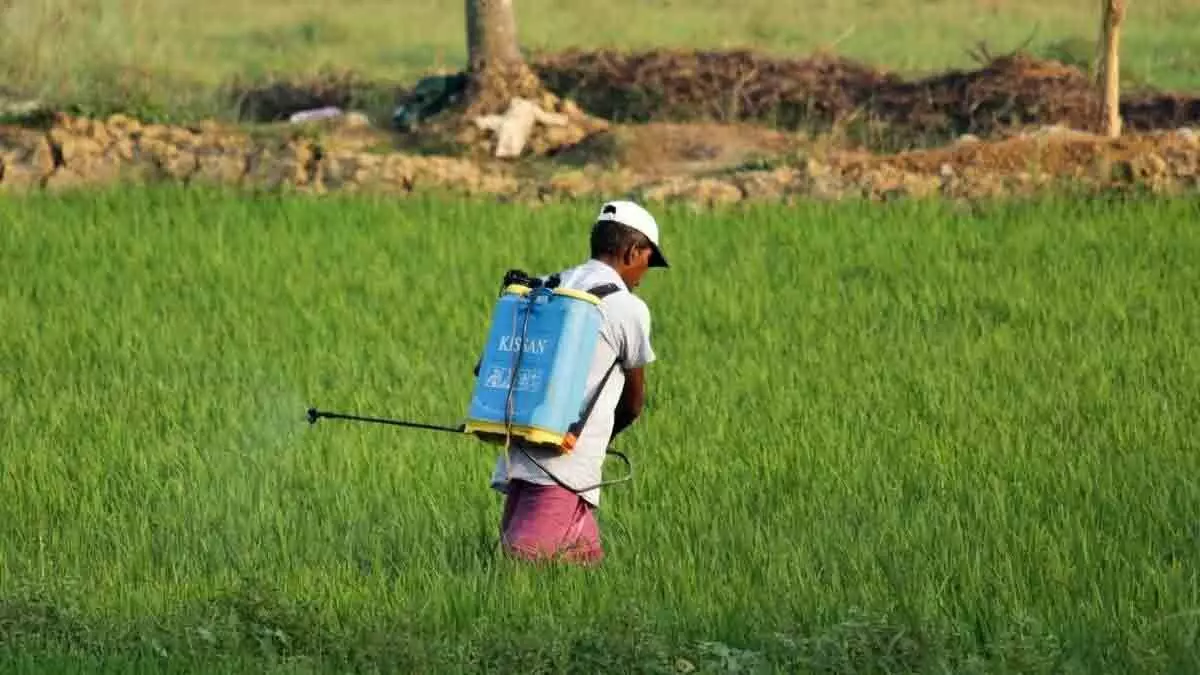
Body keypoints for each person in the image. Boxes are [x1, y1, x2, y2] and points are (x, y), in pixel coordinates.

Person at [488, 199, 669, 566]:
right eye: (647, 262)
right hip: (565, 466)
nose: (643, 274)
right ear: (633, 251)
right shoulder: (626, 307)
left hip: (522, 448)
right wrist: (600, 442)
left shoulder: (551, 286)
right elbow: (634, 403)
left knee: (581, 565)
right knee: (522, 567)